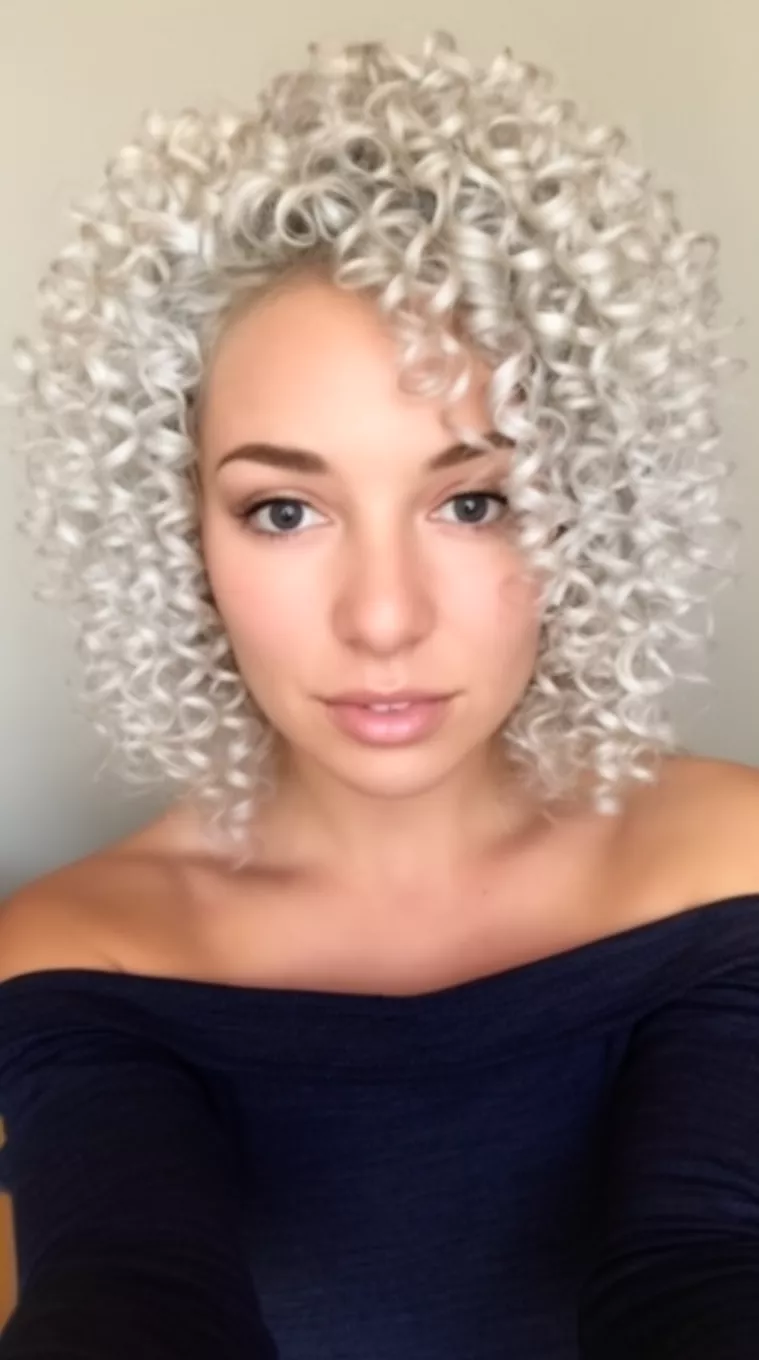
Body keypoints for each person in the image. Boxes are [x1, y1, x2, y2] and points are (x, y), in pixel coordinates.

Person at [0, 27, 757, 1360]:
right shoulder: (82, 951)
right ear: (179, 534)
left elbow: (703, 1266)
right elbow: (123, 1293)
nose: (384, 617)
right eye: (283, 510)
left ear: (585, 511)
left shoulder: (727, 865)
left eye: (473, 500)